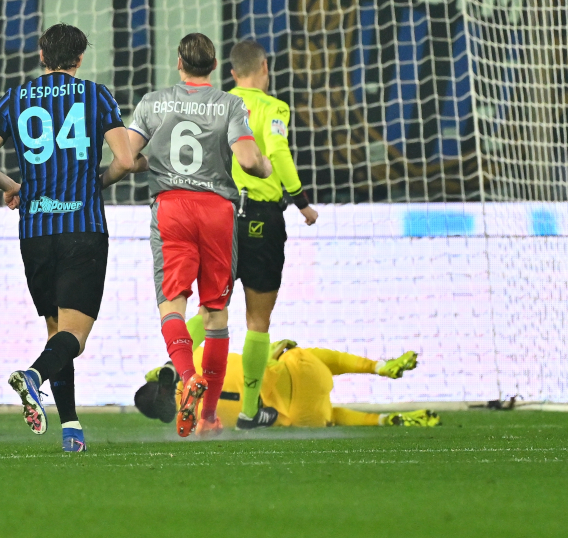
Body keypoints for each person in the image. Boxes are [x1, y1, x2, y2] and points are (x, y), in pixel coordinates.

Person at [0, 24, 136, 453]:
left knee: (55, 332)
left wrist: (12, 185)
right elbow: (125, 159)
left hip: (35, 232)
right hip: (82, 228)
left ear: (42, 55)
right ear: (79, 59)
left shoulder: (15, 98)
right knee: (74, 338)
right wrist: (100, 180)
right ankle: (32, 377)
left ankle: (72, 429)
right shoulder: (96, 96)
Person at [102, 32, 272, 438]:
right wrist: (266, 168)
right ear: (214, 67)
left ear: (179, 63)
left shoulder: (153, 102)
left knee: (172, 306)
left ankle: (186, 374)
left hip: (172, 209)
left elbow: (126, 159)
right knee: (216, 316)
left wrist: (111, 178)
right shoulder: (230, 104)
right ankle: (209, 417)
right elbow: (249, 161)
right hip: (217, 210)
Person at [226, 39, 319, 429]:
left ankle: (170, 362)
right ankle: (250, 408)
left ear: (232, 72)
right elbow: (278, 153)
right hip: (262, 216)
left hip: (221, 213)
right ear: (265, 67)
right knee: (257, 320)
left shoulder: (220, 103)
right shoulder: (274, 108)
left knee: (210, 308)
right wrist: (301, 201)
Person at [136, 319, 438, 428]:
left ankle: (382, 420)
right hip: (297, 373)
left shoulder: (202, 426)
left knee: (330, 416)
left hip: (302, 417)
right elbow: (199, 327)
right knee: (303, 357)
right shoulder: (194, 360)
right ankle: (377, 367)